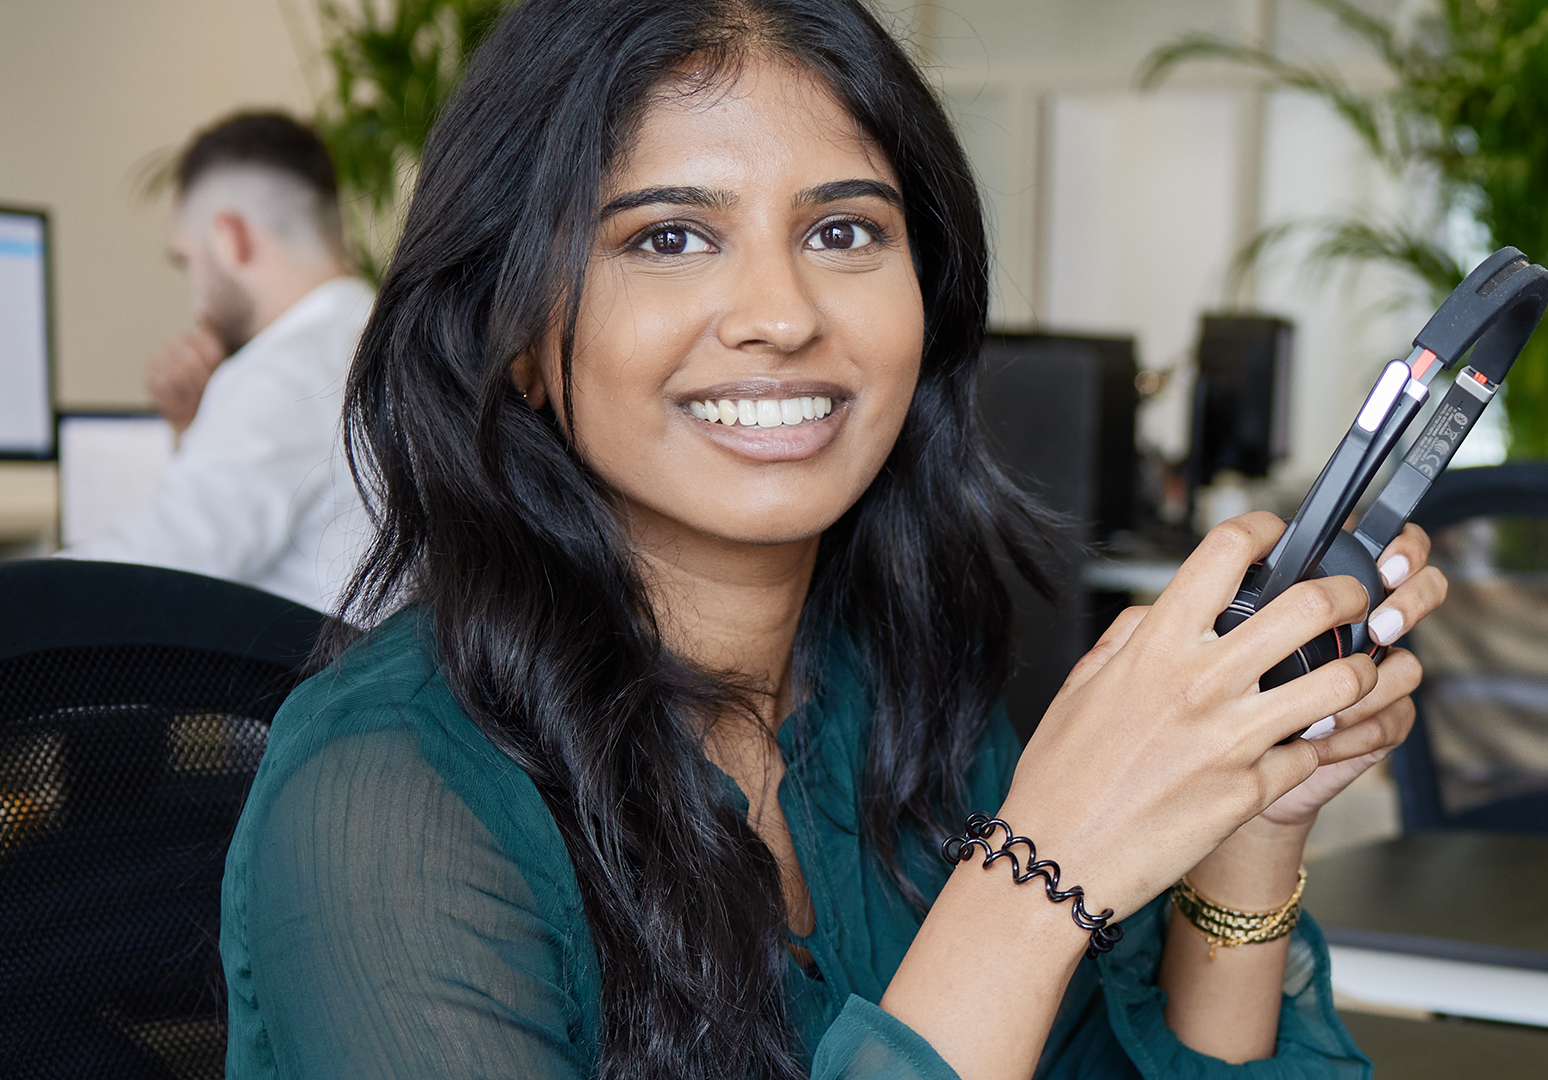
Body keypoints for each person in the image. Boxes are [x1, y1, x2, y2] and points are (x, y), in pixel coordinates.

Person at [219, 2, 1450, 1077]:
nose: (781, 315)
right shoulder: (385, 799)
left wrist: (1247, 832)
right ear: (526, 339)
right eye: (668, 237)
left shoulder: (899, 700)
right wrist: (1040, 870)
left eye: (844, 231)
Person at [60, 112, 373, 612]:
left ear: (230, 237)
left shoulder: (284, 370)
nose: (194, 304)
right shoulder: (392, 340)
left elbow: (150, 567)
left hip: (297, 683)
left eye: (186, 260)